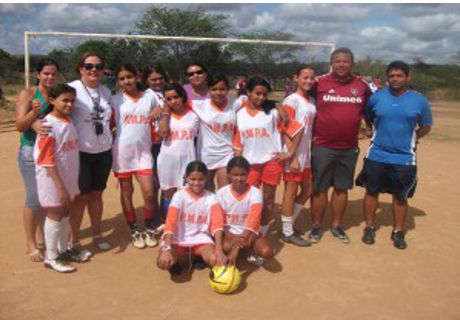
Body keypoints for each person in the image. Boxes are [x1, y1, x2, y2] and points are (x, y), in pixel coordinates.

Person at [356, 61, 432, 249]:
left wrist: (412, 138)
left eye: (399, 75)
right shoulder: (376, 98)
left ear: (408, 77)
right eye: (391, 76)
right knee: (371, 192)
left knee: (400, 196)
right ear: (387, 78)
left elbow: (426, 126)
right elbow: (368, 117)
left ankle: (398, 231)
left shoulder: (419, 100)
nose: (395, 79)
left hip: (404, 158)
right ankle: (370, 227)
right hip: (377, 155)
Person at [309, 47, 371, 244]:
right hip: (322, 145)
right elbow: (299, 100)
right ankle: (317, 226)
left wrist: (368, 129)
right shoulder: (319, 83)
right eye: (338, 61)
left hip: (348, 147)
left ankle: (336, 226)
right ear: (331, 63)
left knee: (341, 188)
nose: (341, 64)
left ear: (352, 64)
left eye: (345, 61)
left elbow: (369, 111)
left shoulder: (362, 86)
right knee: (319, 188)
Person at [234, 76, 303, 237]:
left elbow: (298, 129)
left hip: (271, 162)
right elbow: (238, 142)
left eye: (265, 94)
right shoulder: (239, 114)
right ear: (248, 92)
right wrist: (238, 163)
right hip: (249, 164)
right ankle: (246, 232)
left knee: (268, 198)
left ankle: (261, 234)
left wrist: (290, 153)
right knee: (247, 199)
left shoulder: (273, 112)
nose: (261, 97)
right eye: (257, 93)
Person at [67, 52, 113, 260]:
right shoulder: (72, 89)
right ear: (80, 68)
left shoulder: (106, 91)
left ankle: (96, 234)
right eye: (88, 66)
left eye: (98, 66)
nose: (93, 69)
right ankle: (74, 241)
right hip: (81, 153)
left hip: (103, 151)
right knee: (79, 198)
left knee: (97, 195)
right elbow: (53, 111)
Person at [110, 64, 161, 249]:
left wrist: (161, 111)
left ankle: (148, 227)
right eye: (122, 78)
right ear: (118, 81)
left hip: (143, 152)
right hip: (122, 152)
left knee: (149, 191)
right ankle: (134, 229)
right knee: (127, 192)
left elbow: (167, 107)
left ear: (137, 77)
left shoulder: (150, 96)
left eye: (129, 76)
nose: (126, 81)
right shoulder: (114, 99)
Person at [16, 58, 59, 262]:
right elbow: (20, 126)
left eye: (53, 74)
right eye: (46, 74)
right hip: (29, 152)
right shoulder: (28, 94)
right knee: (33, 199)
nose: (50, 77)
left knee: (45, 198)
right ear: (38, 75)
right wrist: (34, 112)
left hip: (49, 152)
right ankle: (30, 242)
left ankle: (42, 236)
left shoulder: (55, 95)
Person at [34, 84, 79, 273]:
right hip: (52, 179)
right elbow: (47, 159)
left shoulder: (68, 121)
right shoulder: (48, 125)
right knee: (54, 213)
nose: (69, 104)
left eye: (72, 101)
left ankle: (62, 250)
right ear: (52, 101)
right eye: (65, 100)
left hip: (67, 175)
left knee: (65, 211)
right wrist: (60, 186)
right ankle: (51, 256)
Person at [157, 161, 227, 275]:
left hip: (200, 239)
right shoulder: (179, 196)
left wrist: (219, 250)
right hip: (177, 239)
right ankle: (175, 262)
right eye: (192, 179)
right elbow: (170, 222)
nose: (197, 183)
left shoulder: (212, 198)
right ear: (186, 178)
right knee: (163, 262)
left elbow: (217, 225)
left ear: (206, 179)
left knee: (216, 260)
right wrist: (167, 248)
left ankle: (197, 256)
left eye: (201, 179)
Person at [280, 66, 317, 247]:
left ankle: (289, 225)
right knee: (291, 191)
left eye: (311, 78)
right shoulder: (292, 100)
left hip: (305, 153)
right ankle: (287, 232)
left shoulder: (310, 101)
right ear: (296, 78)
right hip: (294, 154)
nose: (308, 81)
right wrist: (291, 156)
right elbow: (285, 129)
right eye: (304, 77)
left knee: (308, 190)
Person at [218, 157, 274, 266]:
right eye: (235, 175)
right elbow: (220, 221)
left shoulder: (255, 193)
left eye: (242, 174)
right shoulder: (221, 193)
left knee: (267, 252)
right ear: (228, 174)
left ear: (248, 174)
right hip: (229, 233)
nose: (239, 178)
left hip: (249, 233)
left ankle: (245, 250)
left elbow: (253, 223)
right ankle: (244, 250)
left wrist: (236, 248)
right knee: (226, 247)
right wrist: (230, 236)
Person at [156, 83, 199, 223]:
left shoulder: (194, 115)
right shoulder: (163, 117)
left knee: (186, 194)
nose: (173, 101)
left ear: (183, 96)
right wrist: (164, 115)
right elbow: (159, 134)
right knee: (168, 195)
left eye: (176, 97)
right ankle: (168, 225)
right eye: (169, 99)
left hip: (187, 160)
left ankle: (185, 226)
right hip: (167, 160)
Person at [189, 74, 236, 190]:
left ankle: (222, 209)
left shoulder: (235, 104)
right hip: (206, 155)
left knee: (224, 190)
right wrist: (163, 112)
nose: (218, 93)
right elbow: (174, 103)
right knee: (207, 190)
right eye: (214, 89)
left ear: (228, 89)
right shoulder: (199, 105)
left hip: (227, 154)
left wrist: (279, 107)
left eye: (222, 89)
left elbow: (258, 102)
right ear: (208, 90)